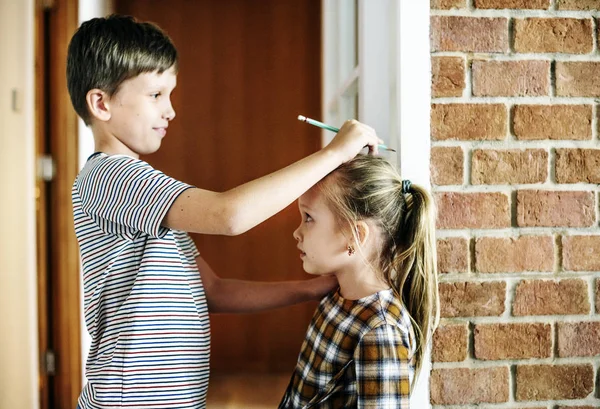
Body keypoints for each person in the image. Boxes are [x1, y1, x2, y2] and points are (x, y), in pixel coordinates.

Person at [67, 14, 381, 409]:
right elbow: (230, 215)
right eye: (156, 95)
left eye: (171, 95)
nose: (170, 112)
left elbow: (212, 291)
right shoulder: (110, 177)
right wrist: (334, 153)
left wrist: (311, 289)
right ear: (101, 103)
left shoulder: (145, 194)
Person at [279, 154, 440, 408]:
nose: (296, 232)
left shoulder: (380, 331)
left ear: (355, 235)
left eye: (308, 217)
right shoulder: (337, 298)